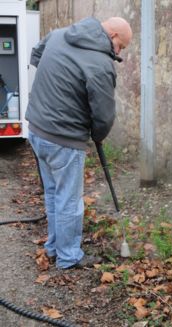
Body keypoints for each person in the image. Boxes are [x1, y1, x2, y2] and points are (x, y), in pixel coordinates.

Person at [25, 17, 132, 269]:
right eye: (121, 47)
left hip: (37, 130)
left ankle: (53, 248)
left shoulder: (59, 34)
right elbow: (104, 117)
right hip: (64, 139)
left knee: (53, 193)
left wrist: (59, 85)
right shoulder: (101, 64)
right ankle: (69, 256)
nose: (118, 53)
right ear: (113, 35)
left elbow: (36, 56)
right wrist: (97, 135)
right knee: (69, 200)